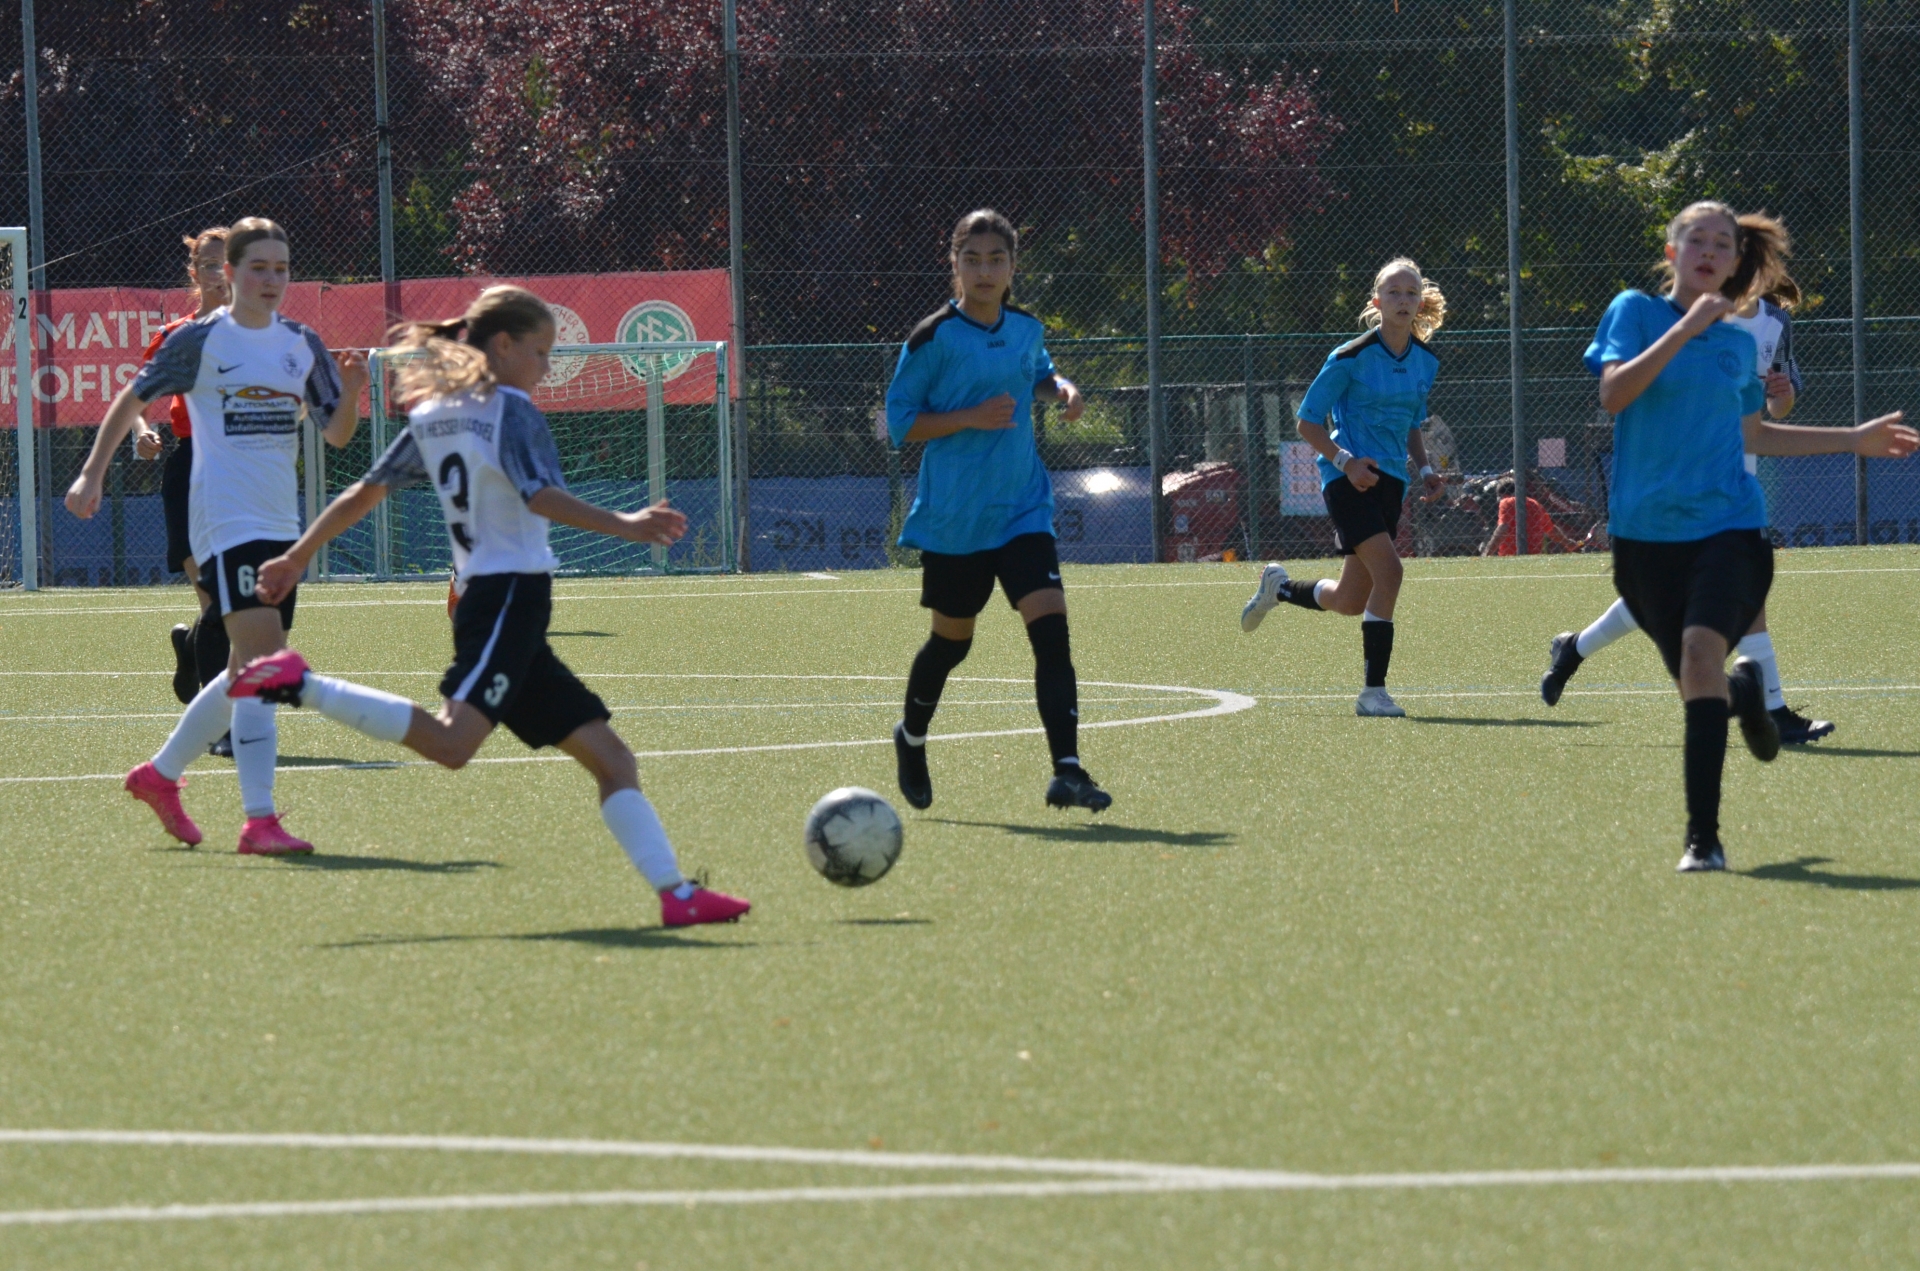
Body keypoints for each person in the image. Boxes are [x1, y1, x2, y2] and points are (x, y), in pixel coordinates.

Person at [227, 285, 750, 928]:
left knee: (613, 760)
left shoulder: (435, 413)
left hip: (499, 604)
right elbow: (539, 495)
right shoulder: (513, 410)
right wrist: (627, 523)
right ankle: (298, 684)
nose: (547, 367)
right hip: (507, 597)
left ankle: (676, 894)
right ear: (502, 345)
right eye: (540, 351)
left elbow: (363, 492)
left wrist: (298, 555)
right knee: (452, 743)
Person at [1575, 201, 1914, 873]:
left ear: (1734, 262)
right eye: (1696, 240)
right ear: (1672, 254)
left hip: (1730, 525)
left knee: (1702, 653)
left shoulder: (1736, 346)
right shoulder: (1634, 312)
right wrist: (1684, 329)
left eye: (1722, 243)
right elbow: (1614, 395)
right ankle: (1747, 702)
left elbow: (1755, 435)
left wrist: (1853, 438)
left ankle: (1703, 839)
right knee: (1699, 681)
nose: (1708, 250)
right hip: (1645, 535)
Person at [66, 217, 367, 856]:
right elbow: (132, 398)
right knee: (263, 665)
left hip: (281, 523)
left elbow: (337, 433)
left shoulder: (301, 342)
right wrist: (92, 472)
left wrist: (353, 392)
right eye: (258, 268)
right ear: (229, 274)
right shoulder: (199, 339)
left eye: (281, 269)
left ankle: (160, 775)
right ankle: (259, 820)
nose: (271, 280)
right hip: (225, 518)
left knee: (241, 670)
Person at [1541, 225, 1834, 745]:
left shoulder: (1774, 323)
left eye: (1736, 255)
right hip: (1679, 480)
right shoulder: (1681, 317)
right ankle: (1769, 711)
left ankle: (1577, 648)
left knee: (1720, 593)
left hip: (1734, 482)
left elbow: (1774, 411)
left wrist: (1783, 395)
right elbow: (1631, 391)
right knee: (1692, 594)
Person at [883, 208, 1109, 813]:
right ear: (954, 265)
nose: (984, 271)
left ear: (1012, 267)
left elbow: (1038, 373)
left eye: (996, 259)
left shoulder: (1027, 327)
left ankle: (1068, 770)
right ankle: (911, 738)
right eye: (972, 259)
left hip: (1023, 508)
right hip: (956, 519)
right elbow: (901, 423)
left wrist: (1062, 389)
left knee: (1052, 633)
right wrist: (968, 417)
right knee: (951, 645)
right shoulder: (931, 338)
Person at [1239, 257, 1448, 716]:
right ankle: (1373, 694)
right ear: (1377, 301)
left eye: (1411, 293)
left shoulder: (1425, 361)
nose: (1403, 300)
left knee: (1351, 599)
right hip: (1347, 479)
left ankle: (1279, 589)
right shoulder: (1350, 356)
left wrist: (1425, 469)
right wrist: (1346, 462)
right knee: (1391, 573)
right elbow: (1307, 422)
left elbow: (1412, 423)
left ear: (1420, 304)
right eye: (1393, 292)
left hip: (1391, 483)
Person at [134, 228, 237, 732]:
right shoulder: (177, 334)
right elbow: (136, 398)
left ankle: (192, 648)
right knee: (215, 602)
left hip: (243, 472)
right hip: (191, 471)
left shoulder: (261, 334)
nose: (222, 274)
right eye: (211, 264)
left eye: (230, 263)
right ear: (194, 273)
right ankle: (220, 727)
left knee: (235, 604)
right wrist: (141, 432)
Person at [1482, 476, 1580, 556]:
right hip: (1534, 554)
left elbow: (1503, 528)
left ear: (1501, 494)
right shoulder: (1534, 503)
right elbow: (1551, 529)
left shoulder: (1506, 502)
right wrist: (1567, 543)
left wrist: (1487, 553)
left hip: (1510, 554)